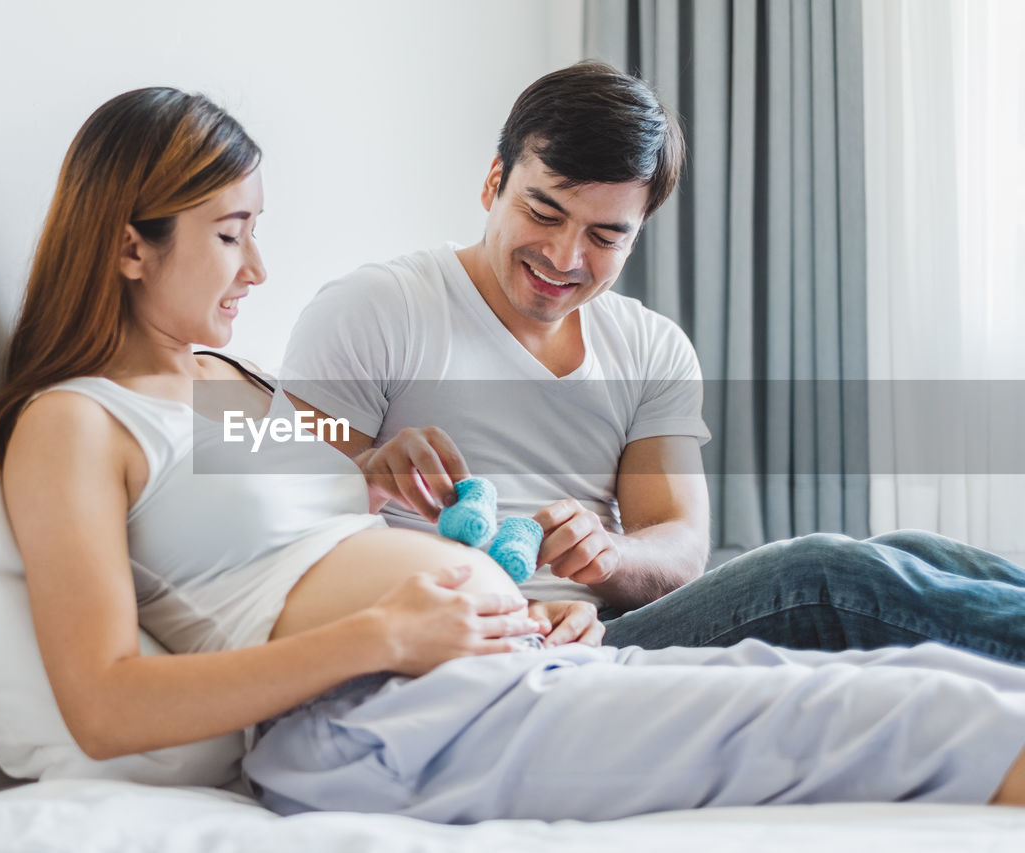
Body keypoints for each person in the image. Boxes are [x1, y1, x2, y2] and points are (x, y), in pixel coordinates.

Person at [0, 86, 1025, 823]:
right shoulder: (72, 422)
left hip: (512, 654)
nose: (260, 266)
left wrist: (414, 495)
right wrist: (387, 628)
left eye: (259, 228)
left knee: (938, 670)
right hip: (380, 718)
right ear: (127, 244)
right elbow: (105, 706)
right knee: (914, 710)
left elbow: (344, 507)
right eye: (230, 232)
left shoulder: (230, 384)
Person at [279, 60, 1025, 662]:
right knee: (823, 574)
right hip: (478, 641)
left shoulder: (651, 345)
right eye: (543, 212)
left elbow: (678, 543)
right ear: (492, 182)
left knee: (910, 550)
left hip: (597, 632)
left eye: (606, 235)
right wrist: (366, 459)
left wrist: (610, 557)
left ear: (639, 234)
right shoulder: (380, 305)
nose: (565, 258)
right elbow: (248, 461)